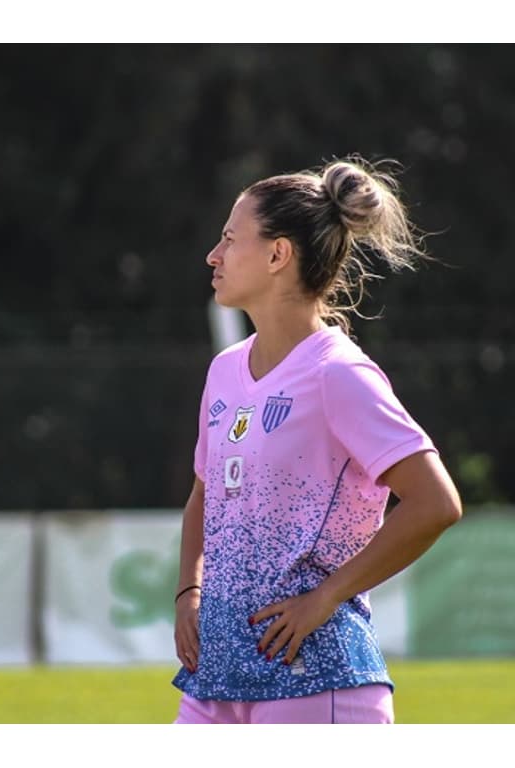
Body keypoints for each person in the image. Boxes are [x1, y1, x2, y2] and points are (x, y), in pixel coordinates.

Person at [171, 155, 463, 724]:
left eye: (230, 239)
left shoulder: (338, 374)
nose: (214, 254)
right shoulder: (225, 371)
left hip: (315, 679)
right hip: (216, 677)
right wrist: (189, 591)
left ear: (278, 254)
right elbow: (203, 497)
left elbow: (436, 503)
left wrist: (324, 598)